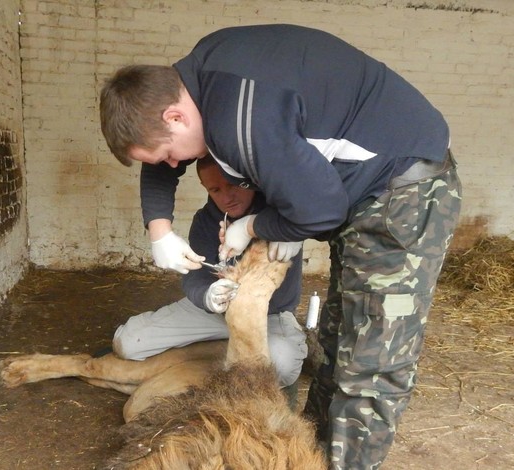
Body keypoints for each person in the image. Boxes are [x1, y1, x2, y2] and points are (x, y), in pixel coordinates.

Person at [99, 24, 463, 469]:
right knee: (337, 336)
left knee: (373, 356)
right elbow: (167, 158)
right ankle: (305, 450)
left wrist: (253, 225)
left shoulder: (241, 122)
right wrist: (159, 229)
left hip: (402, 188)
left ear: (175, 116)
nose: (173, 166)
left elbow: (320, 211)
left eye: (169, 155)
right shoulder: (198, 75)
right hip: (362, 190)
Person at [112, 156, 308, 390]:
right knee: (127, 344)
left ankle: (226, 348)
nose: (226, 197)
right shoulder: (205, 221)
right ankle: (223, 347)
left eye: (232, 186)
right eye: (215, 190)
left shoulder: (280, 217)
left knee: (282, 368)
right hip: (213, 314)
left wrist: (279, 229)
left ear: (246, 181)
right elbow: (195, 278)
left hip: (268, 316)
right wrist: (208, 295)